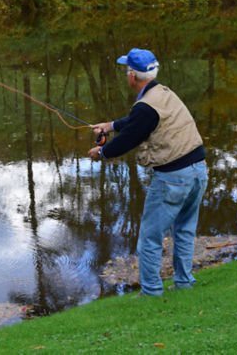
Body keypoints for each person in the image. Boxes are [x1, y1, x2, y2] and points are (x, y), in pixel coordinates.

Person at [88, 48, 208, 297]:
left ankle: (152, 292)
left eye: (126, 71)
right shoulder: (163, 92)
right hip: (198, 171)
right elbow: (139, 121)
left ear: (132, 75)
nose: (125, 75)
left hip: (174, 177)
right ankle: (185, 283)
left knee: (150, 237)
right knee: (184, 230)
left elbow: (130, 136)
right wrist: (110, 126)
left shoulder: (145, 106)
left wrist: (101, 153)